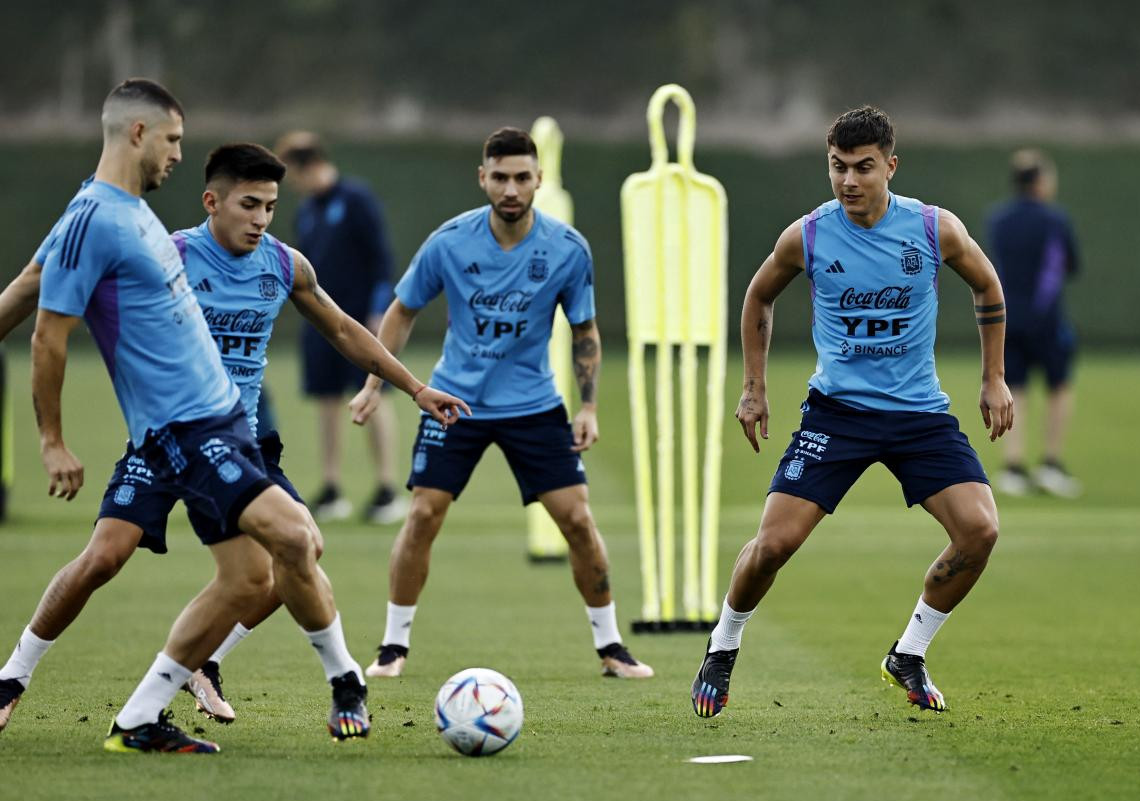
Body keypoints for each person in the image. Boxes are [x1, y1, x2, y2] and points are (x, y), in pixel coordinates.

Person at [0, 80, 461, 753]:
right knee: (123, 555)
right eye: (173, 140)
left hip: (228, 434)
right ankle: (344, 681)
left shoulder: (200, 238)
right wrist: (51, 439)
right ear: (139, 136)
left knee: (268, 567)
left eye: (273, 206)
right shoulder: (130, 229)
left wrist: (412, 386)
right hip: (178, 433)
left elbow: (340, 326)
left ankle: (164, 695)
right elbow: (42, 313)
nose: (263, 218)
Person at [690, 106, 1012, 718]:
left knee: (980, 531)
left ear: (891, 165)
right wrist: (753, 387)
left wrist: (993, 377)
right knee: (774, 545)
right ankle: (723, 644)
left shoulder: (932, 228)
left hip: (919, 415)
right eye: (838, 167)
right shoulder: (807, 235)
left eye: (864, 168)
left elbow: (987, 286)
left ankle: (909, 653)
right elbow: (759, 295)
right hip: (836, 415)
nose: (848, 181)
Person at [348, 127, 653, 681]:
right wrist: (374, 386)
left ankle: (611, 647)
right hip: (453, 403)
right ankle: (393, 647)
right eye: (501, 177)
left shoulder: (566, 249)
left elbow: (584, 331)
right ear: (482, 178)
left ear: (538, 180)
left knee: (578, 521)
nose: (511, 188)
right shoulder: (449, 242)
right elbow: (401, 310)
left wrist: (587, 407)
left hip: (534, 406)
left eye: (522, 177)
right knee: (421, 515)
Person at [274, 132, 404, 523]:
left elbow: (382, 259)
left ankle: (387, 489)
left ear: (309, 165)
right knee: (326, 400)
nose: (292, 186)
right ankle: (332, 488)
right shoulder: (307, 210)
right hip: (319, 322)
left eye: (293, 175)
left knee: (372, 396)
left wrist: (379, 311)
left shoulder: (356, 199)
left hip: (361, 321)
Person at [987, 150, 1081, 498]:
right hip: (1048, 321)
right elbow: (1067, 265)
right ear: (1040, 181)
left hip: (1007, 320)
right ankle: (1050, 465)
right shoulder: (1054, 220)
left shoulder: (998, 220)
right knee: (1059, 387)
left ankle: (1013, 467)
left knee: (1014, 389)